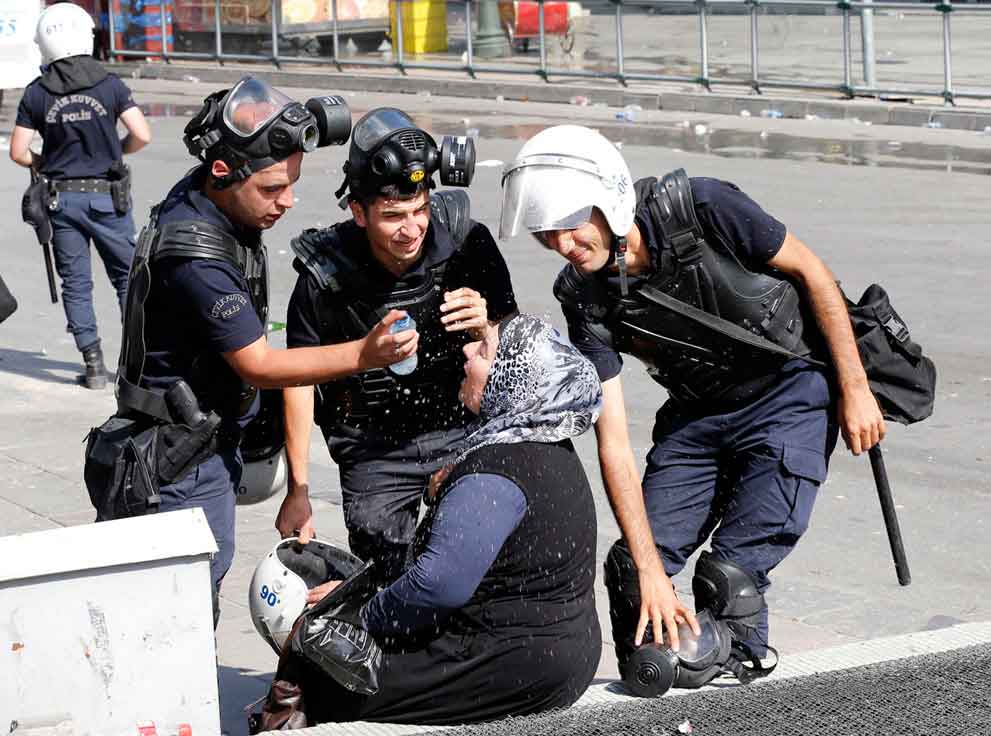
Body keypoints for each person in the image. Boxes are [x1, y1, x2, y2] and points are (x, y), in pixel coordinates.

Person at [498, 125, 885, 674]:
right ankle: (661, 670)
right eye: (545, 234)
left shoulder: (702, 206)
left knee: (732, 579)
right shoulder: (583, 296)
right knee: (634, 569)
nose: (562, 245)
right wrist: (651, 570)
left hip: (787, 394)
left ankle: (737, 658)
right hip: (697, 414)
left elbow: (813, 273)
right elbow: (613, 442)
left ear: (607, 199)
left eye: (569, 225)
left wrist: (855, 388)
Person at [108, 78, 418, 622]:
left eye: (293, 183)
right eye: (273, 188)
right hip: (177, 465)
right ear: (223, 174)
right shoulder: (198, 257)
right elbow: (260, 363)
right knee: (173, 615)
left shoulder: (207, 192)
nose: (288, 201)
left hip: (193, 446)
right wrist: (365, 355)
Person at [289, 314, 603, 725]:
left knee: (320, 674)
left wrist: (358, 618)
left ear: (512, 379)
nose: (468, 351)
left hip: (512, 665)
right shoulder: (547, 444)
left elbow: (437, 587)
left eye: (485, 351)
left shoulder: (495, 469)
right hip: (561, 653)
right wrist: (362, 592)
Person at [279, 108, 517, 586]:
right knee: (386, 575)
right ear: (359, 211)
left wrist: (489, 324)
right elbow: (298, 380)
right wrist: (298, 489)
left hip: (461, 429)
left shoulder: (466, 241)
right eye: (392, 217)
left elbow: (520, 344)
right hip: (373, 448)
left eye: (419, 211)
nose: (411, 229)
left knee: (481, 567)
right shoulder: (324, 276)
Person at [10, 2, 151, 388]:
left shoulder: (37, 93)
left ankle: (93, 365)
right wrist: (115, 150)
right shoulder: (109, 84)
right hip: (107, 198)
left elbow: (19, 152)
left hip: (61, 201)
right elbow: (142, 134)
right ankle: (136, 365)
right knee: (128, 279)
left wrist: (47, 160)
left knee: (76, 283)